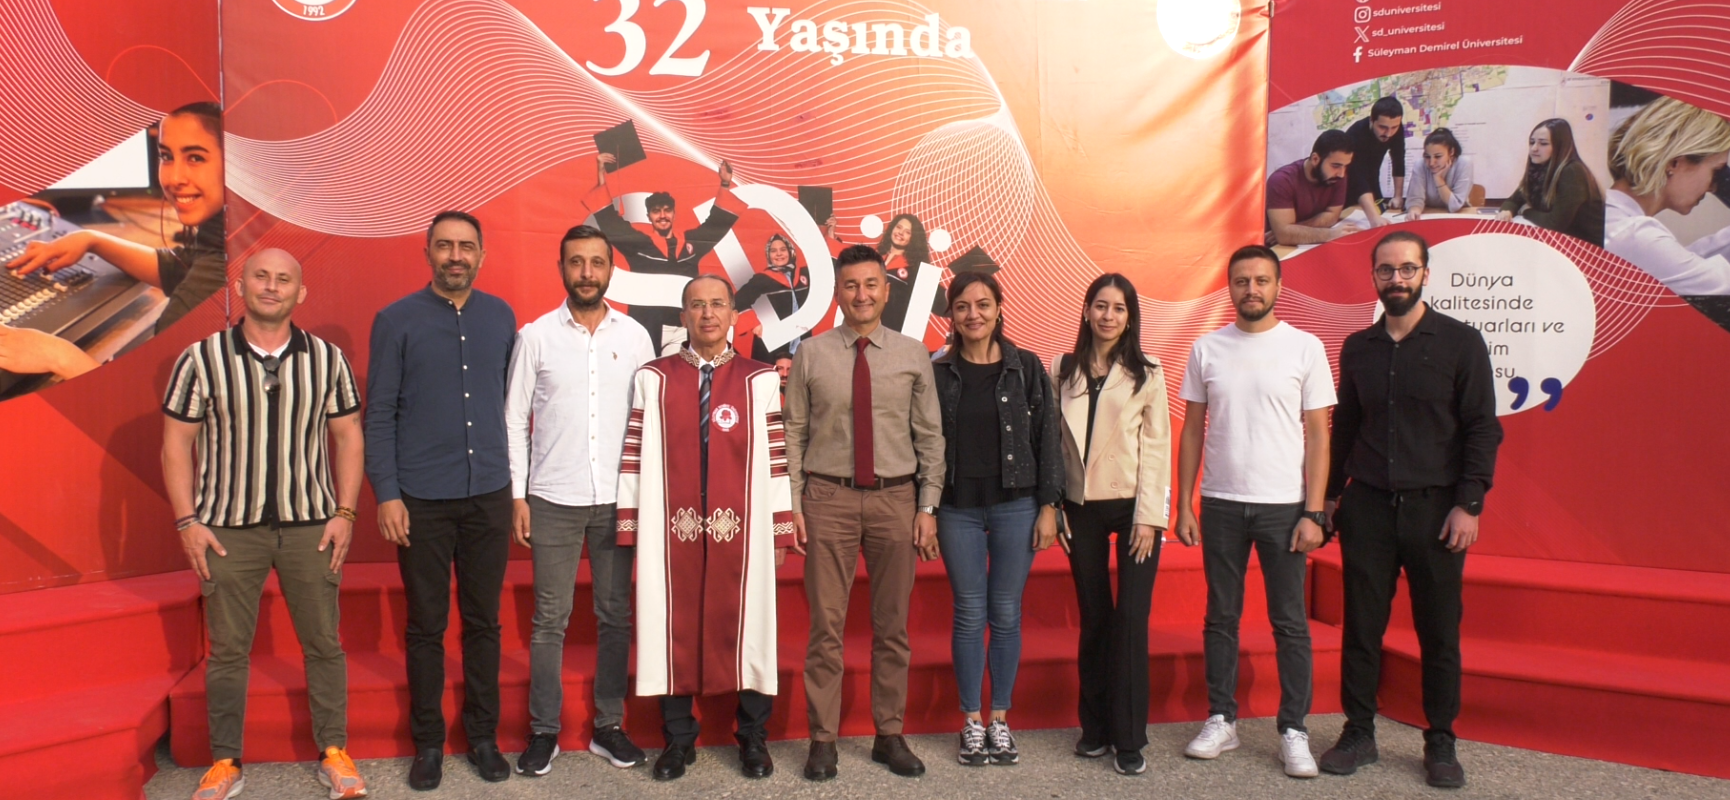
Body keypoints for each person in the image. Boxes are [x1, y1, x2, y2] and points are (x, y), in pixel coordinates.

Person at [161, 248, 368, 800]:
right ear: (240, 286)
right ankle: (225, 761)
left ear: (301, 292)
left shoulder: (327, 360)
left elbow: (348, 436)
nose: (271, 286)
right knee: (228, 650)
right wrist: (187, 521)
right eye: (261, 276)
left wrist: (345, 513)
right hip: (228, 530)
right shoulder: (200, 359)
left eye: (283, 279)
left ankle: (334, 752)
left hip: (311, 526)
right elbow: (176, 444)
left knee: (323, 643)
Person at [1319, 231, 1503, 790]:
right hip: (1368, 508)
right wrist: (1329, 496)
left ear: (1425, 273)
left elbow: (1482, 427)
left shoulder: (1461, 342)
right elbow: (1345, 426)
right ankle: (1358, 732)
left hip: (1437, 511)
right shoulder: (1358, 347)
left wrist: (1469, 503)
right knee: (1362, 627)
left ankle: (1440, 739)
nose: (1395, 279)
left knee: (1439, 631)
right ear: (1373, 277)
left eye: (1406, 269)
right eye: (1385, 270)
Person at [616, 274, 795, 781]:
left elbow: (776, 459)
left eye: (718, 304)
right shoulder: (654, 377)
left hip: (743, 528)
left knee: (752, 624)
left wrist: (780, 527)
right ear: (684, 316)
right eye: (697, 305)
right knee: (669, 624)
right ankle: (677, 740)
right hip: (671, 528)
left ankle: (753, 737)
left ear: (734, 314)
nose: (708, 313)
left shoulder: (760, 379)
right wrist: (630, 524)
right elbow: (634, 454)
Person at [364, 211, 517, 789]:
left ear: (482, 255)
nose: (456, 256)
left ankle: (483, 737)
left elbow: (512, 404)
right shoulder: (395, 320)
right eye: (446, 246)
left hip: (489, 494)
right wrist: (387, 494)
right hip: (421, 498)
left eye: (466, 247)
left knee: (484, 623)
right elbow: (379, 412)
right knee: (426, 627)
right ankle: (427, 743)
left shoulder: (501, 317)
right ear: (427, 252)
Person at [784, 244, 945, 781]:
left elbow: (930, 437)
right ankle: (823, 740)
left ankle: (889, 734)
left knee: (892, 626)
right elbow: (794, 432)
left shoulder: (912, 354)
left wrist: (928, 505)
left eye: (871, 284)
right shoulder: (812, 353)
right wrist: (794, 504)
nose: (861, 294)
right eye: (851, 285)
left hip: (895, 501)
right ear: (837, 292)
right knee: (825, 628)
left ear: (886, 289)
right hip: (826, 499)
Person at [1173, 245, 1333, 779]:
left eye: (1262, 280)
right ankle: (1222, 718)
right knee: (1221, 616)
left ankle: (1294, 729)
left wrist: (1314, 511)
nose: (1252, 290)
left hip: (1284, 506)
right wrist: (1186, 502)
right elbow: (1192, 430)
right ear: (1230, 288)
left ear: (1278, 286)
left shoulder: (1305, 347)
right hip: (1220, 502)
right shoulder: (1207, 348)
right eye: (1242, 281)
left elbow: (1318, 435)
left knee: (1289, 621)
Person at [506, 224, 656, 776]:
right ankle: (543, 731)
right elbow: (513, 420)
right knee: (550, 619)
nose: (587, 273)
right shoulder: (535, 337)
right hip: (552, 497)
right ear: (562, 268)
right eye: (576, 262)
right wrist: (518, 495)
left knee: (615, 616)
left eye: (596, 262)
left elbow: (650, 420)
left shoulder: (636, 337)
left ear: (610, 269)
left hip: (618, 501)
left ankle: (609, 726)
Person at [930, 271, 1063, 767]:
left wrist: (1049, 506)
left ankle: (1000, 720)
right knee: (969, 612)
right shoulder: (938, 372)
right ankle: (971, 721)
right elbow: (926, 445)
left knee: (1006, 612)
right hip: (957, 508)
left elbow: (1047, 437)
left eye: (983, 304)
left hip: (1016, 505)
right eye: (963, 306)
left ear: (999, 308)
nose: (974, 314)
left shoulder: (1024, 367)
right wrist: (926, 508)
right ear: (951, 314)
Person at [4, 102, 229, 380]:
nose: (174, 178)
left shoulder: (228, 267)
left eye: (195, 158)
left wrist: (57, 355)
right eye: (166, 156)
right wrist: (92, 239)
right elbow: (183, 269)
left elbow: (156, 402)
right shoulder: (229, 236)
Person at [1053, 273, 1172, 777]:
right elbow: (1051, 444)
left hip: (1133, 510)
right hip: (1080, 507)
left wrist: (1150, 517)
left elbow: (1157, 448)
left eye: (1119, 308)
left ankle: (1130, 737)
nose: (1108, 316)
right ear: (1086, 310)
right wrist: (1054, 505)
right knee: (1095, 617)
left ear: (1130, 317)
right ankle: (1096, 727)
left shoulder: (1147, 372)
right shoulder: (1063, 368)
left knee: (1130, 621)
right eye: (1101, 306)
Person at [583, 153, 740, 354]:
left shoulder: (691, 244)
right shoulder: (639, 244)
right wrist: (601, 176)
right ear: (649, 216)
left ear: (674, 214)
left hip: (682, 327)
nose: (662, 215)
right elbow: (609, 221)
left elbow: (716, 224)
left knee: (677, 372)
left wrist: (725, 184)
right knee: (646, 371)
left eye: (667, 210)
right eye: (656, 211)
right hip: (646, 325)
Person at [1604, 97, 1730, 303]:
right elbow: (1719, 286)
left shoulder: (1615, 221)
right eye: (1716, 171)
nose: (1713, 187)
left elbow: (1685, 264)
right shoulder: (1634, 235)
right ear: (1674, 163)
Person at [1496, 118, 1605, 245]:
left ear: (1559, 146)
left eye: (1543, 143)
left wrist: (1525, 210)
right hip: (1563, 241)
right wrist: (1507, 211)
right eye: (1532, 142)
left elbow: (1554, 224)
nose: (1534, 148)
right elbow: (1513, 201)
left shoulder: (1572, 171)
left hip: (1589, 248)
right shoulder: (1538, 168)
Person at [733, 233, 810, 376]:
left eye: (783, 249)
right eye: (773, 251)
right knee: (769, 381)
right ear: (768, 255)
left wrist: (830, 236)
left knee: (800, 381)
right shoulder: (762, 279)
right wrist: (753, 323)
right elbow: (737, 302)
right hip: (772, 342)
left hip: (800, 339)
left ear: (791, 252)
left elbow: (828, 271)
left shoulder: (803, 276)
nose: (779, 254)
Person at [1266, 130, 1360, 245]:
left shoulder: (1337, 177)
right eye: (1336, 166)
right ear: (1315, 159)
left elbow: (1332, 215)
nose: (1341, 173)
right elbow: (1284, 237)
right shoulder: (1281, 181)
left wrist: (1292, 231)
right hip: (1275, 248)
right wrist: (1331, 234)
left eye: (1346, 166)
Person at [874, 213, 946, 335]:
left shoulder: (915, 269)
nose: (901, 233)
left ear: (913, 238)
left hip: (893, 333)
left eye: (908, 232)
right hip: (864, 327)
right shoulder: (872, 258)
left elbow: (940, 302)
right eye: (899, 227)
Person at [1346, 96, 1408, 228]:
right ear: (1372, 120)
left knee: (1383, 212)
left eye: (1394, 127)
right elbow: (1357, 177)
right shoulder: (1355, 134)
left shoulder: (1396, 129)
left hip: (1373, 177)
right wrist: (1373, 217)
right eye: (1382, 127)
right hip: (1349, 182)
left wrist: (1398, 196)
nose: (1388, 134)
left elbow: (1398, 159)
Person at [1405, 128, 1475, 219]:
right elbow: (1415, 199)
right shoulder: (1420, 165)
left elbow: (1455, 205)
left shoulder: (1464, 163)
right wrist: (1414, 210)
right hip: (1428, 214)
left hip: (1457, 217)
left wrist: (1438, 179)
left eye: (1438, 156)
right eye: (1427, 156)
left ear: (1451, 152)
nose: (1431, 163)